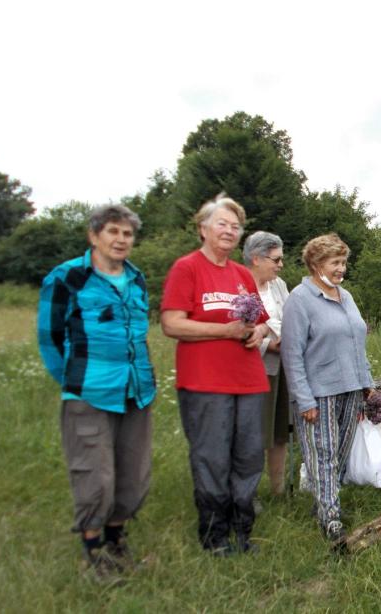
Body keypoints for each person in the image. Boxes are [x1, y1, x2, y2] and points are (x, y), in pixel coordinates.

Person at [37, 204, 156, 581]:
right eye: (113, 232)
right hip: (89, 393)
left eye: (127, 234)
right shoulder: (68, 277)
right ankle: (93, 554)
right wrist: (76, 380)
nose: (121, 240)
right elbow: (50, 338)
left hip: (137, 391)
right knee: (95, 475)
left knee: (133, 474)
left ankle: (117, 543)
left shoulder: (136, 279)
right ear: (94, 236)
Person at [161, 193, 270, 555]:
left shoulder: (242, 275)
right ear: (203, 228)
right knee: (212, 458)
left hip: (250, 381)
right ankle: (215, 537)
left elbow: (263, 325)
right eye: (222, 223)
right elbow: (171, 323)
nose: (230, 230)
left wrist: (258, 333)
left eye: (236, 226)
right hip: (205, 382)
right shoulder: (186, 268)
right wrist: (223, 332)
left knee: (250, 456)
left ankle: (243, 533)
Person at [281, 233, 373, 545]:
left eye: (344, 262)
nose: (341, 268)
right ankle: (330, 518)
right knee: (323, 455)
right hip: (318, 393)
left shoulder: (345, 296)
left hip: (351, 389)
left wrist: (367, 383)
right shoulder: (300, 299)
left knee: (341, 454)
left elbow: (357, 341)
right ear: (316, 264)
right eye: (335, 262)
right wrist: (303, 398)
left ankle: (325, 503)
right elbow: (291, 355)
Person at [243, 231, 291, 495]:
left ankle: (278, 490)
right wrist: (267, 344)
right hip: (254, 367)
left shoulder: (278, 285)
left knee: (279, 430)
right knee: (255, 432)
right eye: (276, 259)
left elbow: (290, 316)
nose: (280, 264)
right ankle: (249, 491)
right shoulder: (239, 286)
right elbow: (238, 327)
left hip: (283, 364)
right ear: (256, 258)